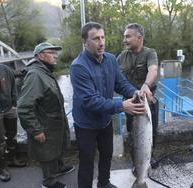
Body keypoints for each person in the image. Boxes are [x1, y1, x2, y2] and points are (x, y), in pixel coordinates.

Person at [70, 22, 145, 188]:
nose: (101, 42)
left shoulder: (111, 59)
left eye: (103, 37)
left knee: (106, 155)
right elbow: (90, 100)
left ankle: (103, 183)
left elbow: (121, 83)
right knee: (87, 161)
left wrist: (134, 92)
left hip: (105, 120)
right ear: (85, 42)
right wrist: (121, 106)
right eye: (96, 39)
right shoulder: (78, 67)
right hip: (86, 124)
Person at [17, 42, 74, 188]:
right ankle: (49, 181)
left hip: (53, 121)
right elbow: (24, 107)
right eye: (51, 52)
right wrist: (36, 130)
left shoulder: (44, 71)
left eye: (56, 53)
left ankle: (59, 167)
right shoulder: (35, 75)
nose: (56, 55)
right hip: (44, 124)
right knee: (47, 151)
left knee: (56, 145)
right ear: (41, 55)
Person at [116, 23, 158, 165]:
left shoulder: (150, 53)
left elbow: (153, 70)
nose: (124, 40)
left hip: (148, 102)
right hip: (130, 104)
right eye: (124, 37)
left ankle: (149, 157)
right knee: (132, 134)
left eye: (128, 36)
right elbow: (115, 78)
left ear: (139, 37)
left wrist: (146, 85)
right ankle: (136, 161)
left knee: (151, 132)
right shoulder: (121, 57)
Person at [0, 41, 26, 182]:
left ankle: (12, 159)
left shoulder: (5, 69)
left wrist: (14, 103)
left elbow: (14, 86)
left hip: (10, 109)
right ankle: (2, 168)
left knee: (12, 136)